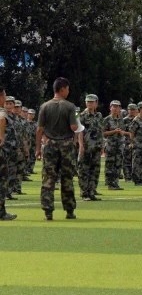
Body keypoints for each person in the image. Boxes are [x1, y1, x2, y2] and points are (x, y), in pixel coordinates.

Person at [36, 77, 83, 221]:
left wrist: (38, 148)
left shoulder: (44, 106)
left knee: (48, 179)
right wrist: (79, 124)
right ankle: (69, 210)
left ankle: (48, 211)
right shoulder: (72, 107)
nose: (69, 91)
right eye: (68, 89)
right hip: (66, 145)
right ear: (63, 89)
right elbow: (75, 127)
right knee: (67, 178)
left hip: (49, 145)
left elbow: (39, 130)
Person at [78, 94, 105, 200]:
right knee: (84, 170)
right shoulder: (82, 115)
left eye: (92, 102)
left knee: (95, 170)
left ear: (96, 103)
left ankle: (92, 192)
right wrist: (80, 145)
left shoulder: (99, 115)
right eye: (88, 102)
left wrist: (102, 144)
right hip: (86, 146)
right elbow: (80, 131)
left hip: (97, 147)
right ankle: (84, 193)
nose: (89, 104)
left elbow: (100, 131)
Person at [102, 100, 129, 190]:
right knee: (110, 164)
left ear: (120, 108)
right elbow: (103, 133)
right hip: (110, 145)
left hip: (120, 145)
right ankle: (110, 183)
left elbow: (124, 131)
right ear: (110, 108)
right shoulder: (107, 119)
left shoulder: (121, 120)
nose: (115, 108)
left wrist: (122, 132)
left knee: (118, 164)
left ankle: (115, 183)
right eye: (113, 106)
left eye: (117, 107)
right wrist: (114, 131)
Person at [0, 87, 16, 220]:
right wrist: (1, 136)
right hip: (1, 153)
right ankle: (1, 212)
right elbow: (1, 119)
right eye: (4, 96)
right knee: (2, 181)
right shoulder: (1, 111)